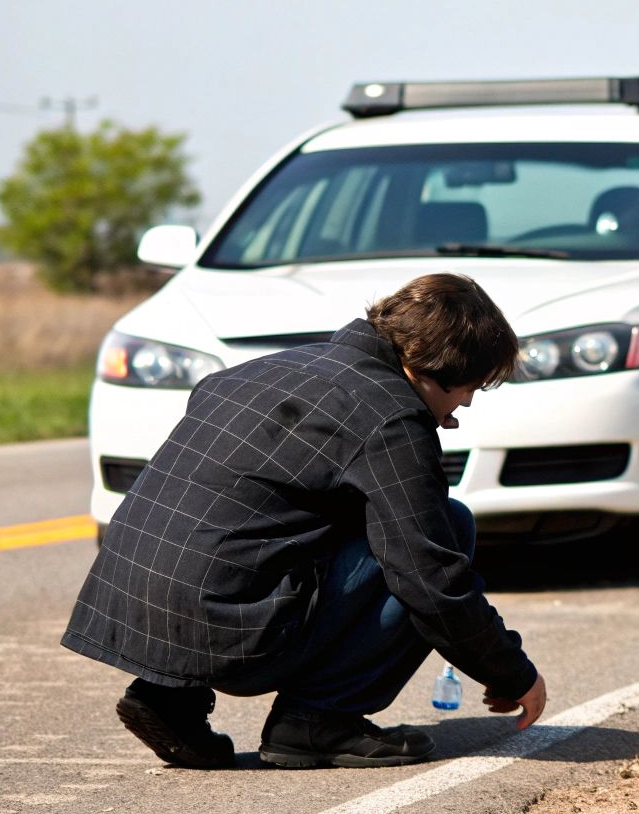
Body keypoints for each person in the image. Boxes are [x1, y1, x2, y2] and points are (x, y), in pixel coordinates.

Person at [62, 273, 547, 769]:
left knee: (270, 532)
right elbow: (431, 576)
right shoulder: (390, 415)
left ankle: (167, 696)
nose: (465, 402)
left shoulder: (263, 370)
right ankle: (318, 722)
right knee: (448, 525)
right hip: (230, 626)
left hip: (129, 609)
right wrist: (512, 672)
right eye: (471, 387)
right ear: (443, 368)